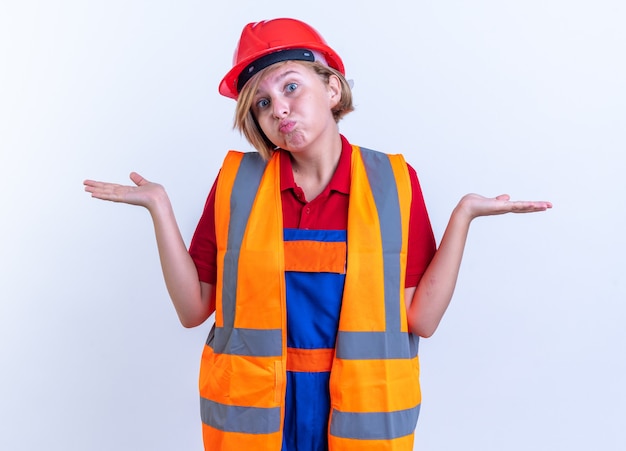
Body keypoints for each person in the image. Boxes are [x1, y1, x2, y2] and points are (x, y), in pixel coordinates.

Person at [84, 17, 552, 451]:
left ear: (331, 89)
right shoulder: (237, 186)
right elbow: (192, 310)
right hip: (260, 413)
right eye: (262, 103)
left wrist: (463, 216)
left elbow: (421, 320)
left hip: (358, 410)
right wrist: (159, 208)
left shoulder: (393, 182)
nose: (278, 110)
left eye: (291, 87)